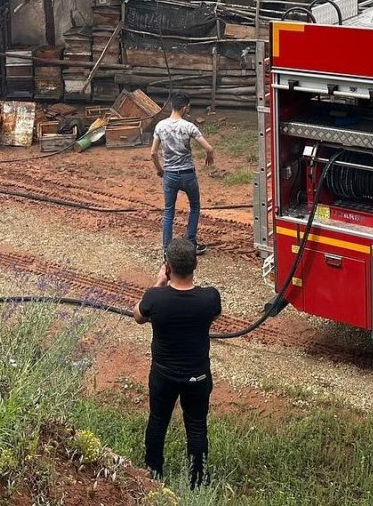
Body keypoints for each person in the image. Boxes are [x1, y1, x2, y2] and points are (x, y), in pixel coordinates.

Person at [134, 237, 222, 490]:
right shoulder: (210, 297)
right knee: (196, 427)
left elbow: (138, 315)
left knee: (158, 420)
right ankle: (198, 480)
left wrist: (159, 283)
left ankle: (152, 473)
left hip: (163, 375)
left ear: (168, 266)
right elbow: (215, 315)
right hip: (198, 376)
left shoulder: (155, 298)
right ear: (195, 264)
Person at [150, 93, 215, 255]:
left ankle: (166, 248)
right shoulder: (188, 126)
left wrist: (160, 170)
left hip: (170, 175)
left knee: (169, 211)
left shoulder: (160, 126)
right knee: (194, 206)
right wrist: (209, 156)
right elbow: (209, 148)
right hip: (187, 174)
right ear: (184, 108)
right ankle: (191, 241)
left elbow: (153, 153)